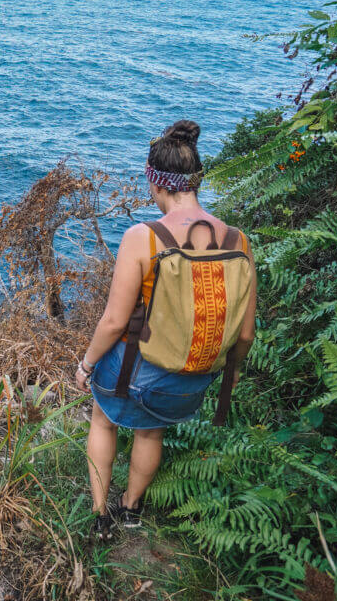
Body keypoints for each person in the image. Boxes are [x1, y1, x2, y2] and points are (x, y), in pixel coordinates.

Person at [74, 120, 257, 538]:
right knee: (150, 428)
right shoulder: (239, 241)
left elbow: (114, 321)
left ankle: (102, 515)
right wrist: (231, 372)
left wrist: (85, 366)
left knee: (103, 419)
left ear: (156, 184)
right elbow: (245, 336)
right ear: (195, 182)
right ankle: (131, 509)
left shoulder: (144, 237)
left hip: (138, 377)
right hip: (192, 383)